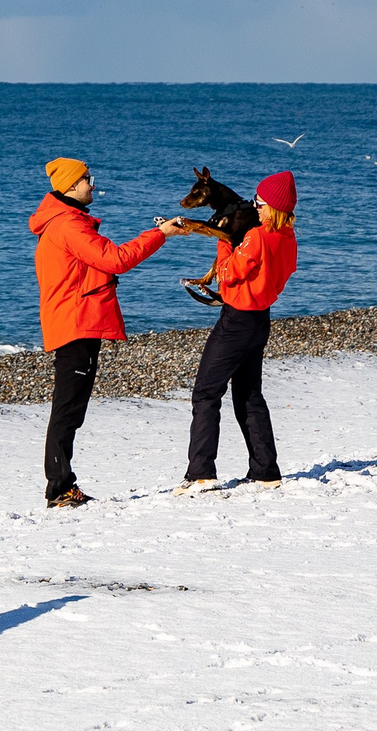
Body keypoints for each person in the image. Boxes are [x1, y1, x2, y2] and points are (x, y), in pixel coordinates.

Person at [31, 156, 168, 508]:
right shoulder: (69, 226)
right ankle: (59, 489)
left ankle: (62, 486)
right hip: (75, 322)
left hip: (77, 320)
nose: (93, 183)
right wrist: (161, 233)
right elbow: (117, 259)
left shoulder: (66, 222)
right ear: (71, 186)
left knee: (71, 408)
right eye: (88, 178)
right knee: (67, 409)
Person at [166, 170, 298, 494]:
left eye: (261, 203)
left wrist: (224, 242)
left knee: (206, 391)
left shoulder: (256, 236)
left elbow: (227, 274)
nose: (256, 208)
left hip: (237, 319)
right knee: (249, 394)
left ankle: (201, 472)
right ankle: (265, 471)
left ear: (274, 207)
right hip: (260, 319)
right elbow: (280, 274)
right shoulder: (288, 238)